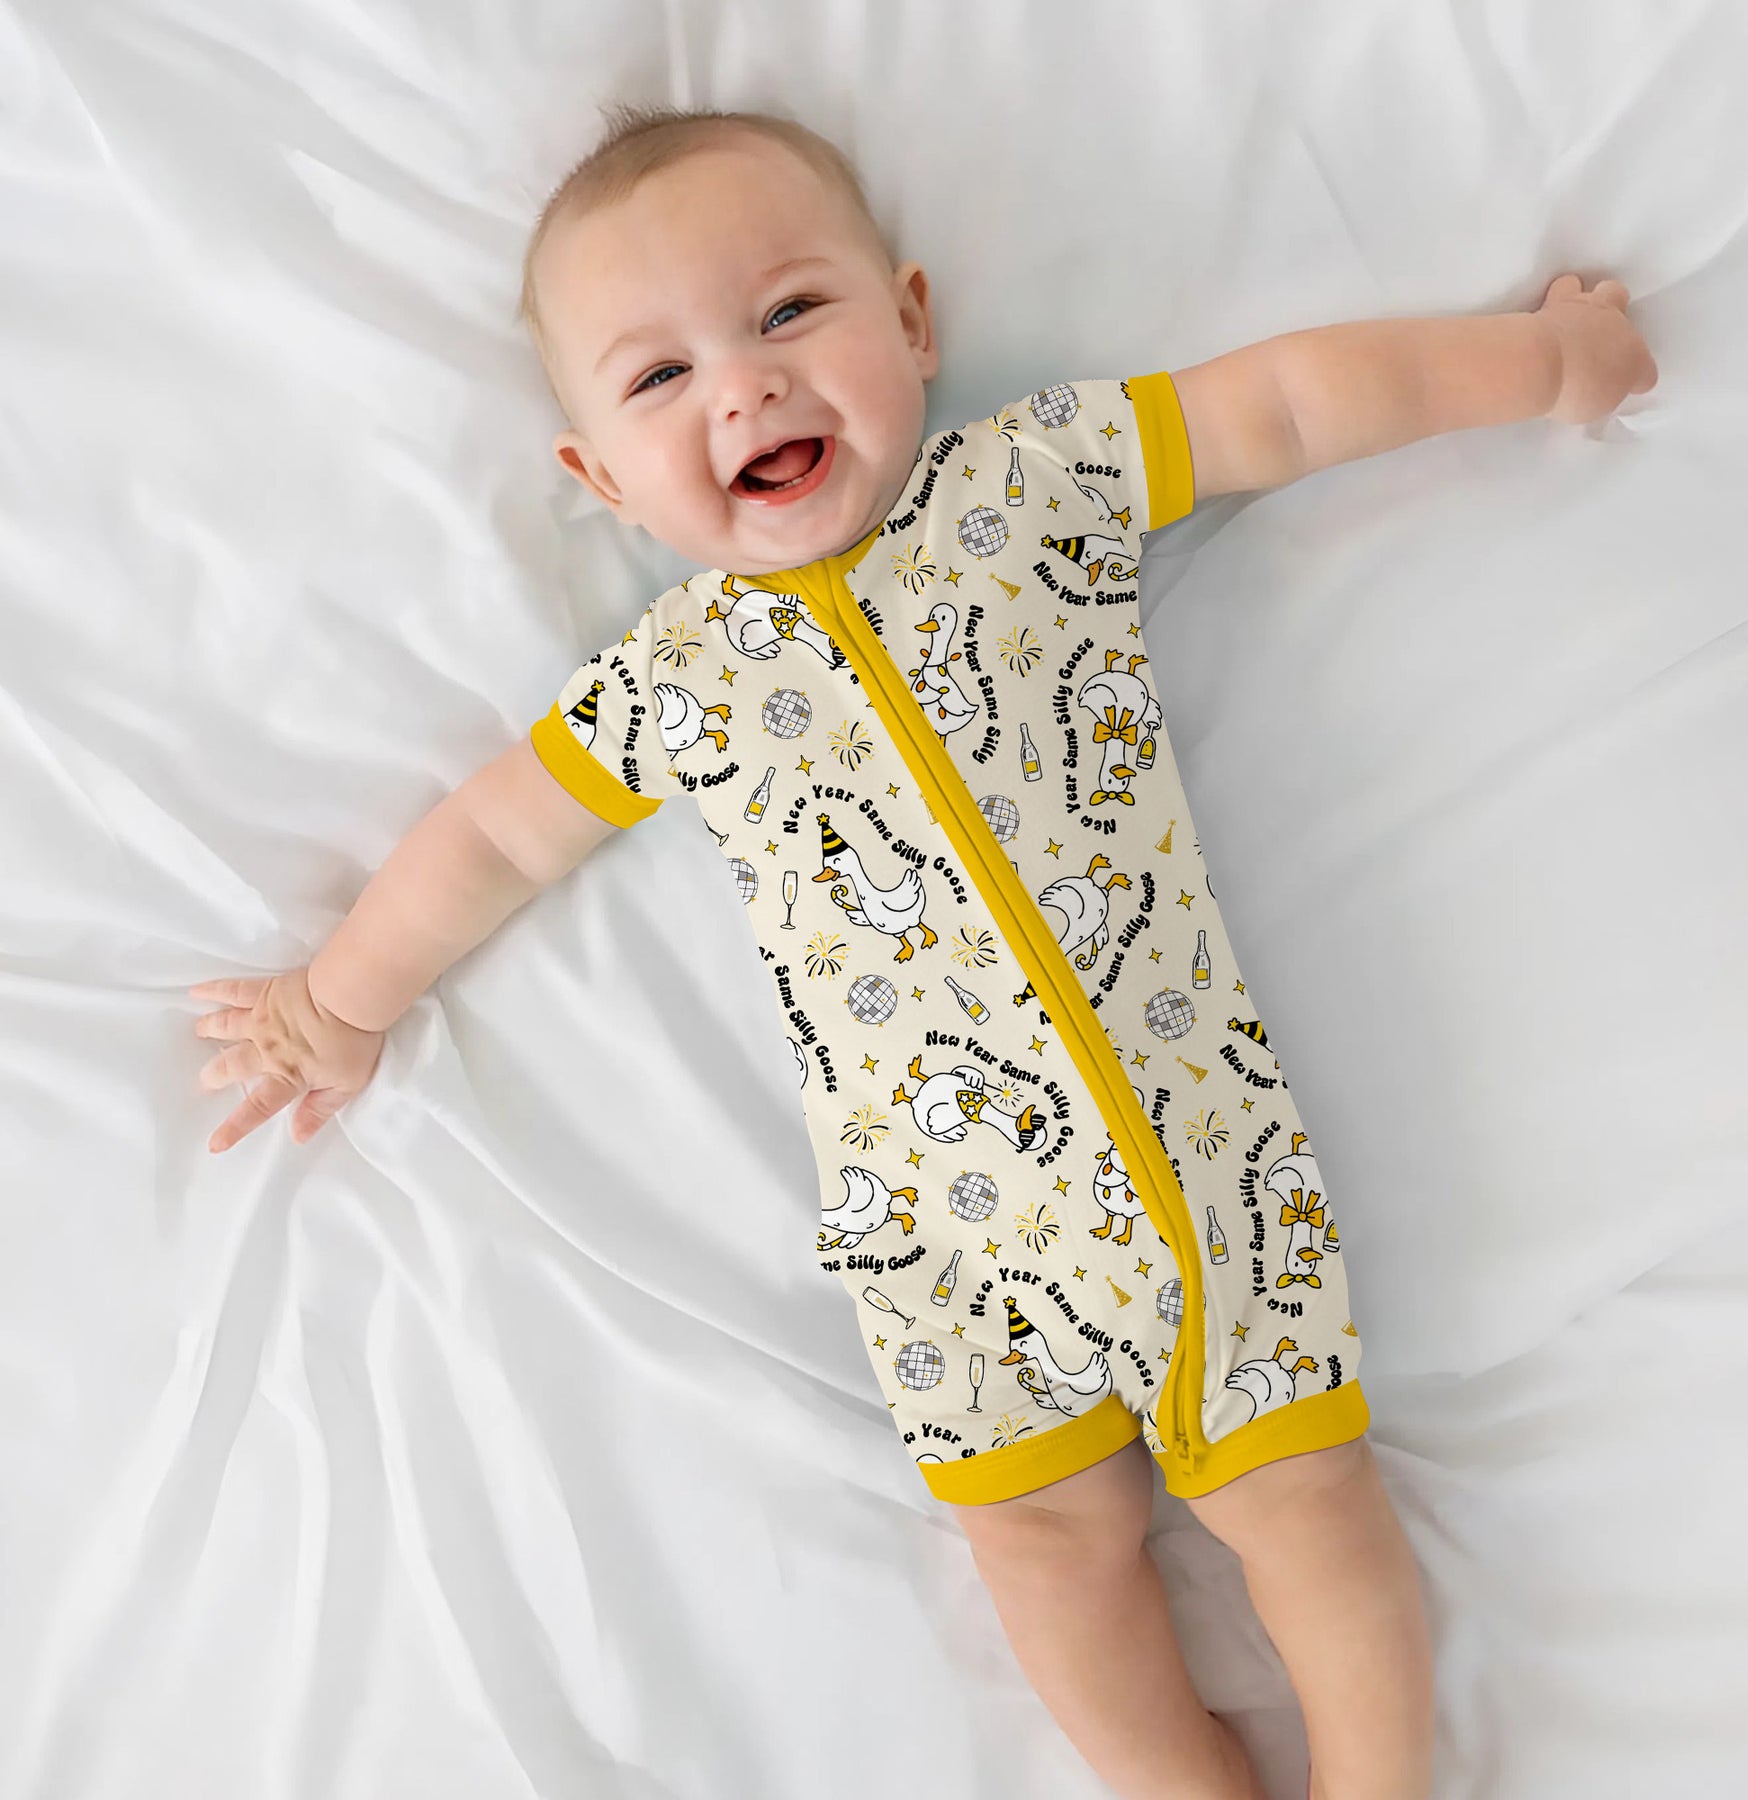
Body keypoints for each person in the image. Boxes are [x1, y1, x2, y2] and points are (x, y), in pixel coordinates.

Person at [190, 104, 1657, 1800]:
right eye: (659, 378)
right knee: (1038, 1548)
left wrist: (1542, 366)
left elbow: (1288, 404)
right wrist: (336, 1003)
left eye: (788, 312)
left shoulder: (1034, 481)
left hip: (1194, 1169)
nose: (744, 388)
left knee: (1307, 1500)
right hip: (939, 1255)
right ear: (599, 480)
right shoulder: (676, 680)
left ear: (912, 323)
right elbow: (496, 840)